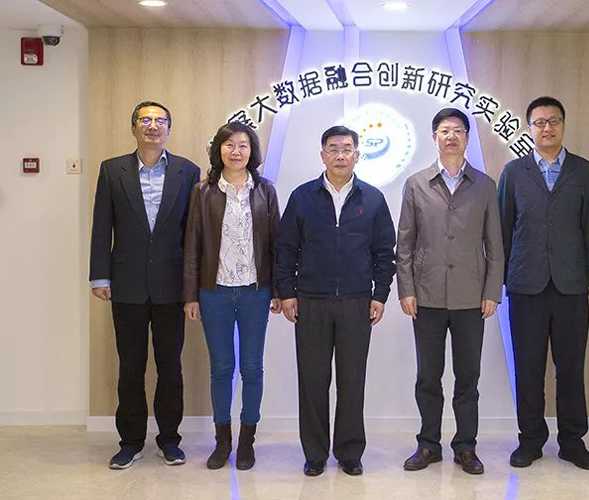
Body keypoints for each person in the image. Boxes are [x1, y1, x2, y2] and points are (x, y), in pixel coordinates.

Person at [274, 125, 396, 477]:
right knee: (312, 380)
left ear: (357, 154)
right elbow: (285, 248)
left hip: (357, 301)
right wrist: (287, 292)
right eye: (333, 148)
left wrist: (380, 295)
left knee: (352, 380)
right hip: (311, 300)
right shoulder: (303, 196)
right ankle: (314, 454)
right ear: (322, 155)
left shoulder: (372, 198)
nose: (340, 154)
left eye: (346, 148)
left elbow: (384, 252)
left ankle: (349, 452)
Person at [89, 101, 201, 469]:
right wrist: (100, 275)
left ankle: (169, 440)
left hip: (172, 285)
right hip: (127, 284)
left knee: (170, 366)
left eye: (159, 120)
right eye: (145, 119)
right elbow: (102, 225)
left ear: (169, 128)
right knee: (130, 366)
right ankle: (131, 441)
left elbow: (192, 233)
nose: (152, 126)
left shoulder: (188, 171)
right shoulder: (112, 170)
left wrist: (193, 285)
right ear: (134, 127)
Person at [397, 108, 504, 475]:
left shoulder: (485, 185)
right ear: (434, 138)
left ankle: (466, 446)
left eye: (458, 130)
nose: (452, 136)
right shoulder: (416, 184)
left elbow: (495, 244)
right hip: (425, 295)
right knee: (428, 376)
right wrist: (406, 289)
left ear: (467, 138)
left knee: (467, 378)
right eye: (445, 130)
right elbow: (405, 243)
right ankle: (428, 444)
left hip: (471, 297)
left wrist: (492, 291)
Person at [497, 96, 589, 469]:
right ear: (529, 129)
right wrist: (509, 278)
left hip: (571, 287)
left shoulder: (583, 171)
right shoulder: (513, 172)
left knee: (571, 367)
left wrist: (582, 276)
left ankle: (572, 441)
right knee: (528, 368)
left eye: (553, 121)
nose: (547, 128)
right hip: (526, 286)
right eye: (539, 122)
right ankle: (530, 441)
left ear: (563, 125)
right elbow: (504, 229)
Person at [183, 121, 281, 470]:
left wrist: (279, 290)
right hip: (214, 292)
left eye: (242, 145)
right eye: (229, 145)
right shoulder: (203, 191)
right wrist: (191, 295)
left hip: (256, 291)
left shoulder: (265, 191)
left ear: (251, 151)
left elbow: (277, 244)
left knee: (252, 367)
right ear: (219, 150)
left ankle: (246, 441)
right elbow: (192, 245)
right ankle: (222, 440)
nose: (236, 151)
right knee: (222, 367)